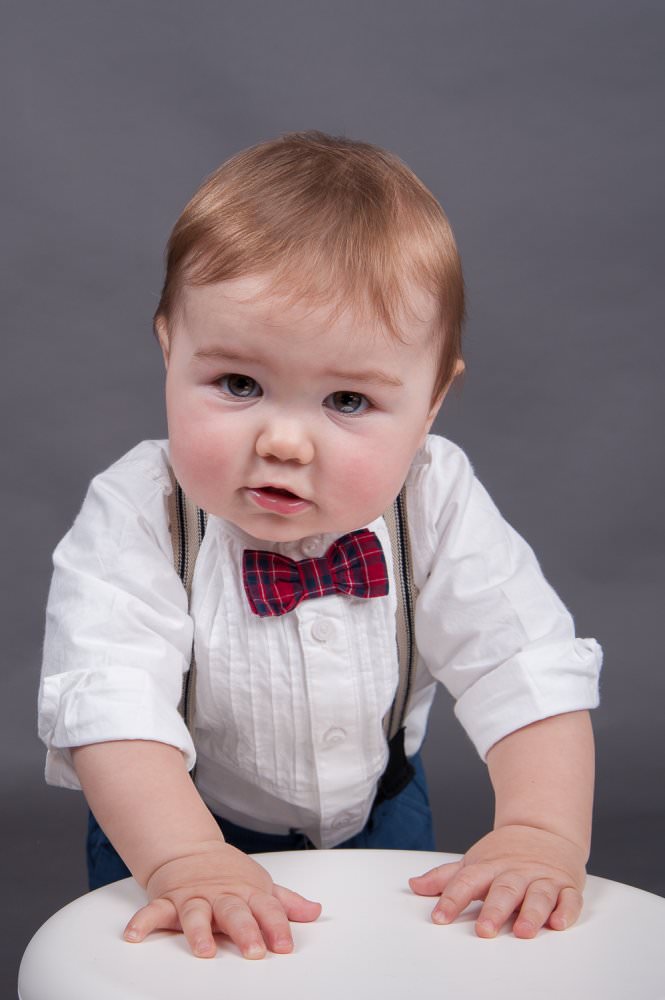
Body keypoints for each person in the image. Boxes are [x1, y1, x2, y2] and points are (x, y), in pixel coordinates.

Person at [38, 130, 602, 960]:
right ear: (169, 348)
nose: (284, 442)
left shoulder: (434, 498)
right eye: (238, 384)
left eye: (346, 400)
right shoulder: (141, 512)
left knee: (390, 967)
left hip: (381, 813)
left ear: (431, 402)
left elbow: (521, 667)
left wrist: (538, 832)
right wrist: (184, 860)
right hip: (172, 823)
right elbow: (111, 700)